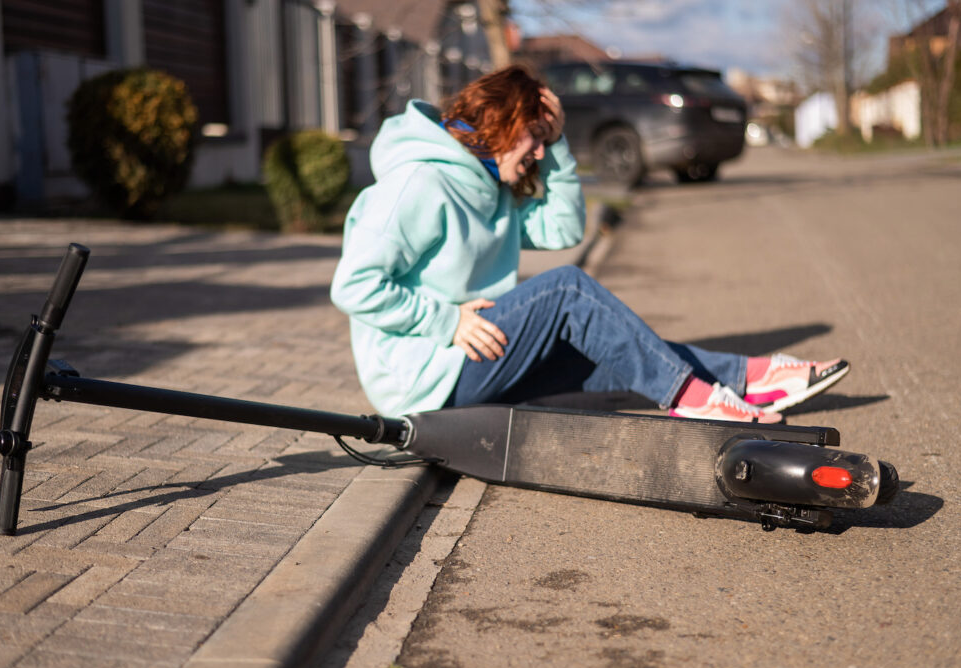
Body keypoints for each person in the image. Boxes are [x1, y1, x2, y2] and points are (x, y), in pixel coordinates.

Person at [330, 66, 849, 424]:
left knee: (614, 346)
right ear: (498, 123)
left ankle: (750, 377)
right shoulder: (417, 184)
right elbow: (353, 286)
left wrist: (558, 149)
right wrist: (447, 322)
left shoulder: (487, 187)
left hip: (464, 359)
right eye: (534, 136)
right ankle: (696, 399)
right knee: (567, 290)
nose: (537, 151)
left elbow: (561, 233)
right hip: (421, 379)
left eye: (544, 139)